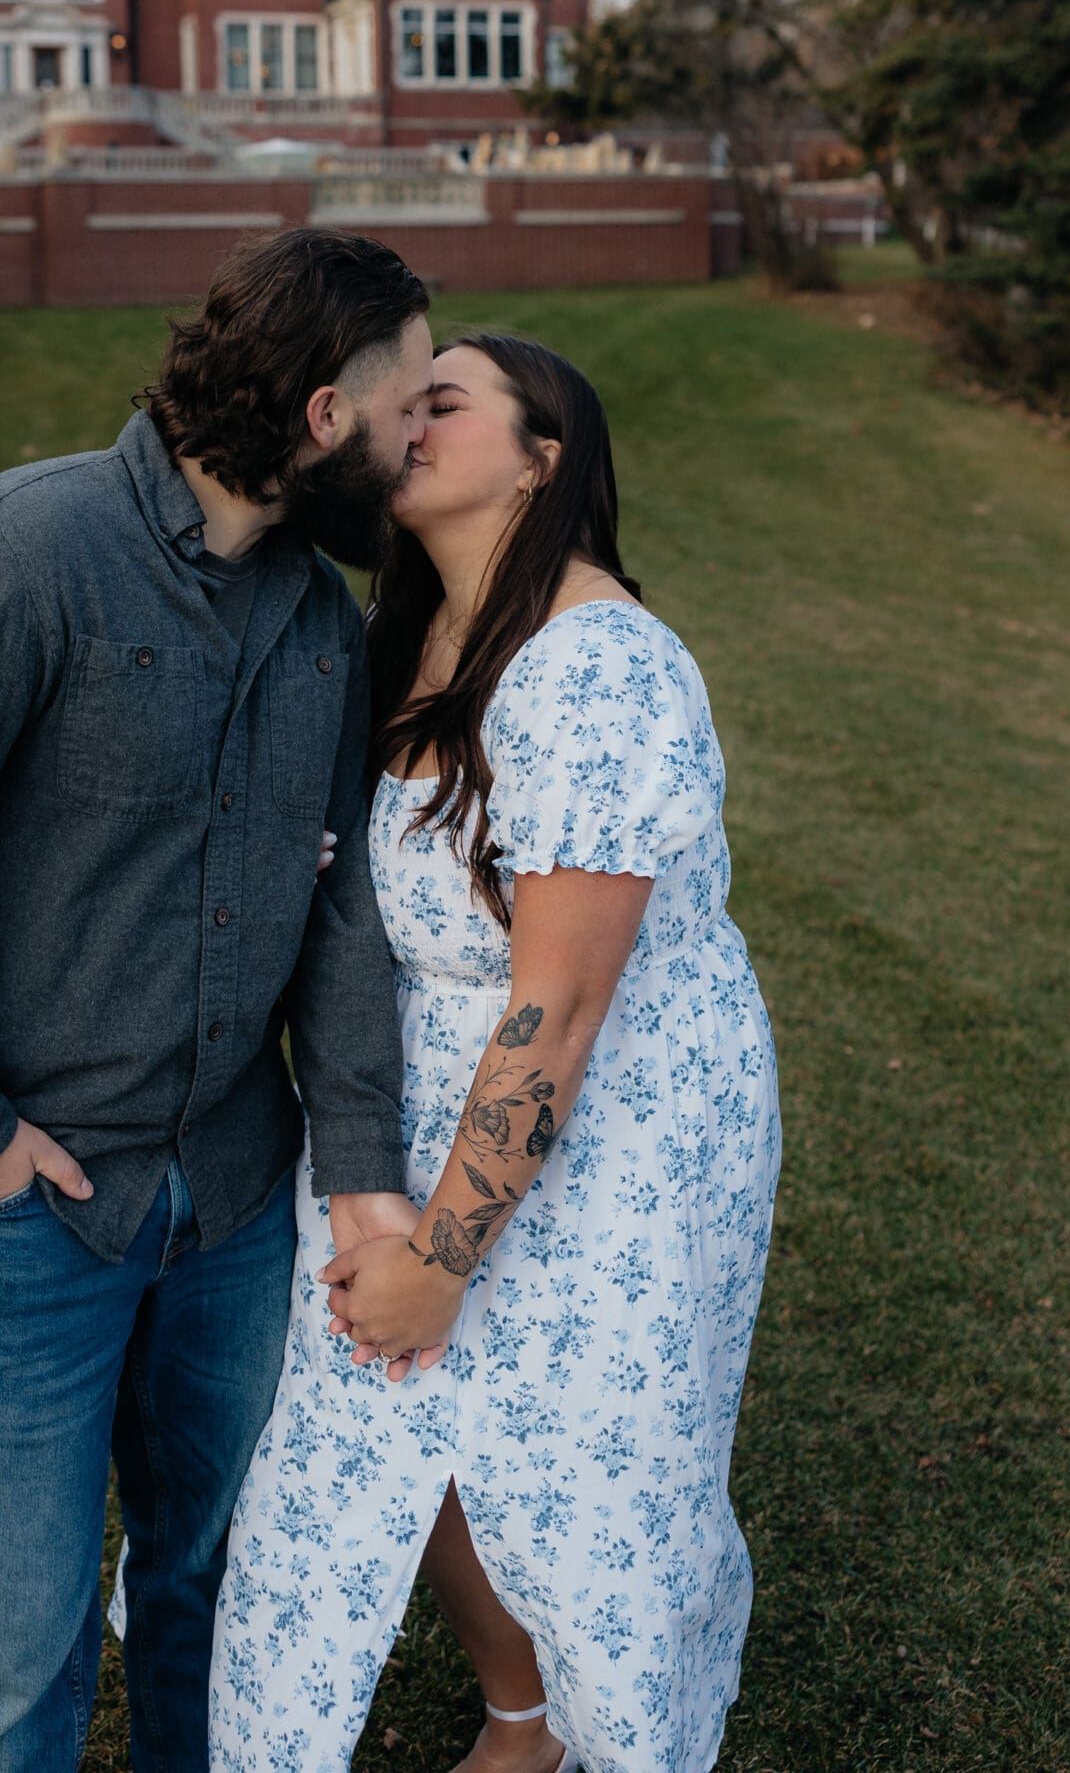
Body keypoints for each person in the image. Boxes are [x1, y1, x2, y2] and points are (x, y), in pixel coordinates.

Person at [0, 229, 436, 1773]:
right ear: (320, 419)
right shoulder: (12, 552)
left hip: (229, 1212)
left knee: (211, 1596)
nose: (426, 438)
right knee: (18, 1656)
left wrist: (351, 1170)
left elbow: (343, 914)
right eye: (412, 401)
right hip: (21, 1219)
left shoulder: (319, 624)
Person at [210, 334, 781, 1773]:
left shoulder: (593, 668)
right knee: (395, 1435)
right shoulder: (405, 640)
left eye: (443, 402)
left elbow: (564, 1009)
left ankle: (619, 1735)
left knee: (583, 1480)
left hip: (615, 1128)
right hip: (414, 1101)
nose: (405, 419)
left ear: (541, 458)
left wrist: (446, 1255)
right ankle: (521, 1718)